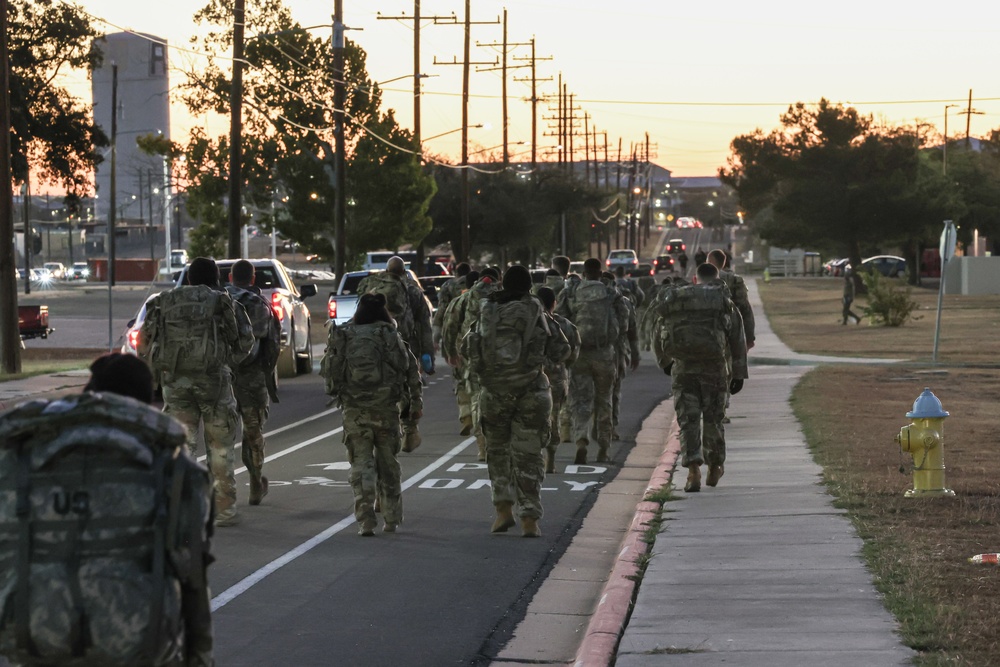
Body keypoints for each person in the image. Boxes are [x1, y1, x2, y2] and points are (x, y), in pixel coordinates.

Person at [0, 353, 215, 667]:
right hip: (136, 643)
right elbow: (192, 576)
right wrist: (199, 657)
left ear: (89, 392)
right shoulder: (173, 468)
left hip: (40, 638)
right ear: (144, 404)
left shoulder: (20, 459)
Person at [138, 256, 254, 527]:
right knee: (220, 447)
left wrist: (158, 368)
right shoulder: (223, 301)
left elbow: (143, 341)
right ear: (215, 278)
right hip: (214, 383)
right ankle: (223, 510)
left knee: (181, 446)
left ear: (188, 278)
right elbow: (246, 340)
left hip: (175, 384)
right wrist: (226, 362)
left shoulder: (163, 301)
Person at [462, 266, 570, 537]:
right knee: (529, 455)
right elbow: (561, 349)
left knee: (497, 452)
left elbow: (468, 347)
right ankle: (530, 518)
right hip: (530, 391)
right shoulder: (536, 310)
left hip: (493, 391)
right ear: (528, 287)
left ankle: (502, 510)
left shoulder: (488, 310)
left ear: (503, 286)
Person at [321, 293, 423, 536]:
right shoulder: (389, 334)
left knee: (361, 465)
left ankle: (365, 520)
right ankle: (391, 518)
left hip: (355, 410)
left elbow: (330, 372)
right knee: (389, 464)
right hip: (386, 410)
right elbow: (410, 370)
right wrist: (414, 404)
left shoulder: (344, 334)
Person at [653, 262, 748, 493]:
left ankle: (693, 469)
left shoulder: (678, 301)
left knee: (688, 421)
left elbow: (658, 333)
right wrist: (738, 373)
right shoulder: (723, 302)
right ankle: (715, 466)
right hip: (714, 369)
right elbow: (737, 339)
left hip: (684, 369)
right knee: (714, 419)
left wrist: (666, 363)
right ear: (716, 278)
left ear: (695, 280)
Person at [556, 258, 633, 464]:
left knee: (580, 399)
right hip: (604, 353)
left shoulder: (573, 291)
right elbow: (624, 322)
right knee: (604, 399)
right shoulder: (610, 292)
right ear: (600, 273)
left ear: (583, 273)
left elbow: (559, 319)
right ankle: (604, 449)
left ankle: (581, 439)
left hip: (579, 353)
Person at [358, 256, 434, 452]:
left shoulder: (369, 284)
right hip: (404, 342)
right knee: (407, 384)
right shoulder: (412, 290)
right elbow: (424, 323)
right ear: (403, 272)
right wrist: (427, 352)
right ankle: (409, 430)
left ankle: (372, 427)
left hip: (372, 344)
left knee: (377, 384)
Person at [225, 259, 282, 506]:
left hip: (222, 377)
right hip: (252, 377)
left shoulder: (219, 301)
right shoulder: (260, 304)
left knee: (221, 434)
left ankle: (221, 488)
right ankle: (256, 482)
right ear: (253, 277)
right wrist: (267, 373)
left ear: (230, 278)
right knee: (253, 431)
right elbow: (273, 344)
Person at [442, 267, 501, 461]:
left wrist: (450, 351)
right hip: (502, 358)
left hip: (472, 356)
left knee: (477, 399)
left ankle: (482, 446)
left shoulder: (465, 299)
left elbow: (450, 325)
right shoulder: (503, 296)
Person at [536, 286, 580, 473]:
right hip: (555, 379)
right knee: (553, 417)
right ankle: (551, 458)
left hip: (531, 378)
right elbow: (573, 352)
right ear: (554, 303)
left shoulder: (529, 323)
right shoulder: (565, 325)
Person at [707, 248, 755, 350]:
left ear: (711, 262)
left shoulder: (702, 279)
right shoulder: (735, 280)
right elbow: (745, 310)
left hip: (708, 336)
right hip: (733, 333)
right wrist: (749, 337)